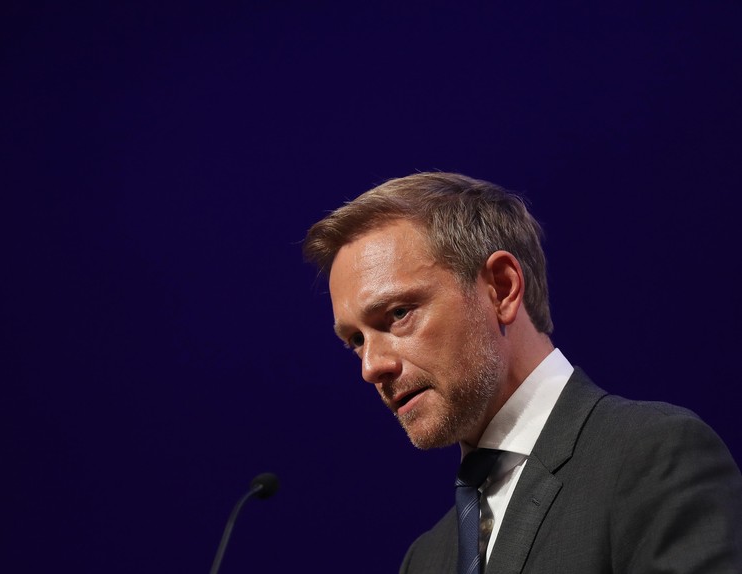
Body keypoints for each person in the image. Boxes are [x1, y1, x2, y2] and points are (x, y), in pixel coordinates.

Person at [302, 172, 742, 573]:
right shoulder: (425, 560)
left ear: (502, 288)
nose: (371, 366)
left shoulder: (651, 456)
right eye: (356, 341)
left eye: (398, 313)